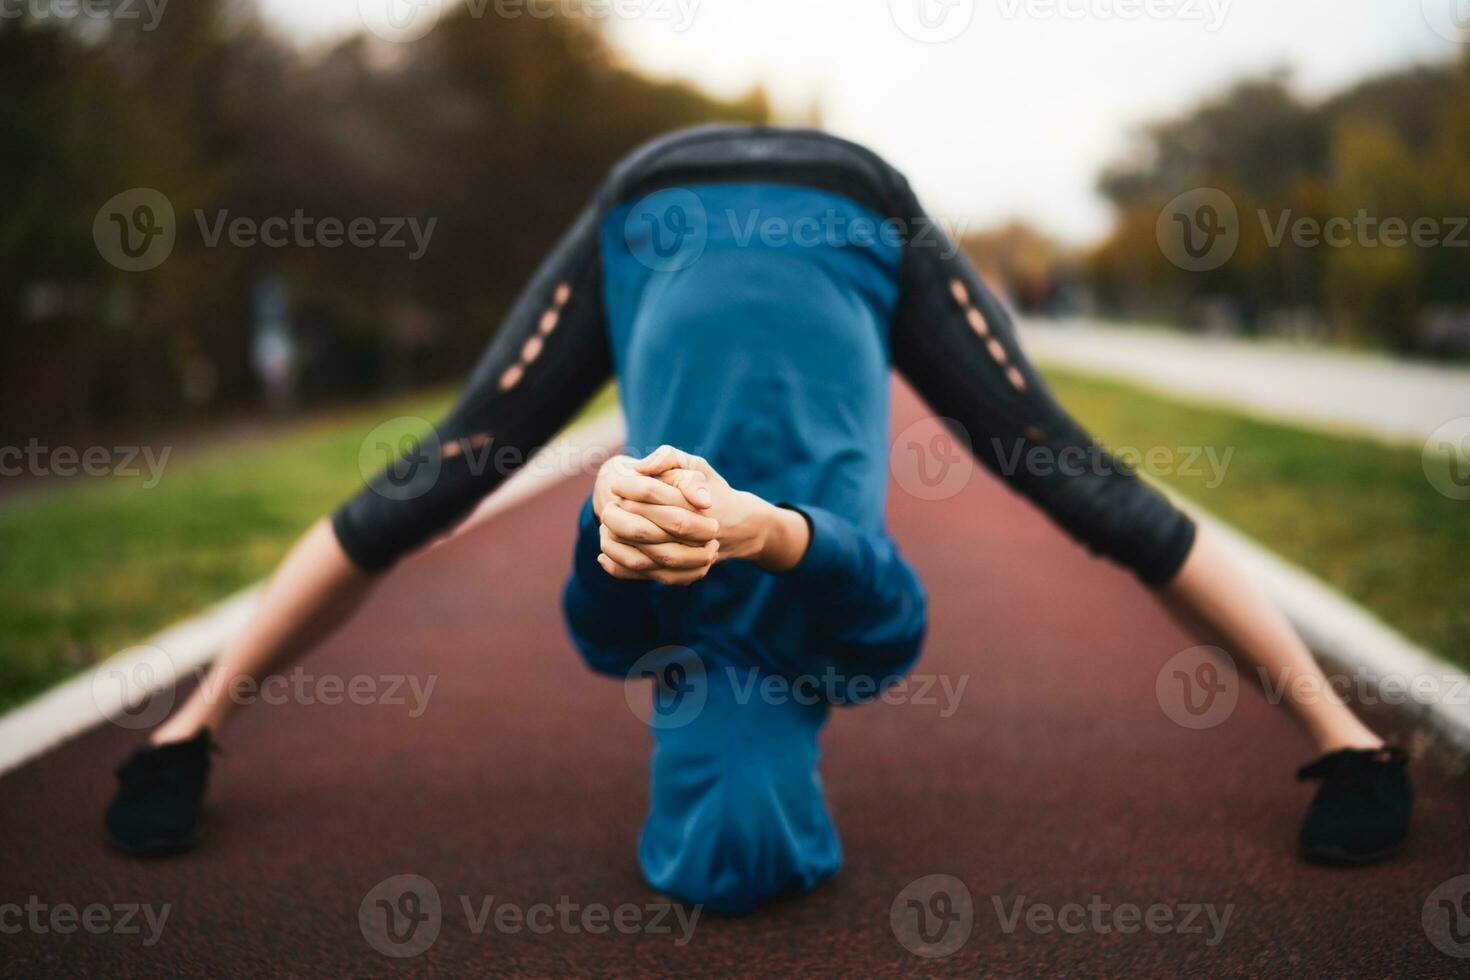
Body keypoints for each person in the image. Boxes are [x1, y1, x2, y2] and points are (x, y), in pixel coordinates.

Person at [105, 125, 1412, 910]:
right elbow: (867, 575)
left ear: (668, 733)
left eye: (690, 753)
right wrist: (755, 531)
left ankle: (184, 735)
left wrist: (615, 506)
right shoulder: (853, 649)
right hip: (849, 205)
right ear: (803, 766)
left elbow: (596, 583)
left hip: (655, 203)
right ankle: (1347, 745)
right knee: (1071, 478)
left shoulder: (632, 640)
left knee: (438, 474)